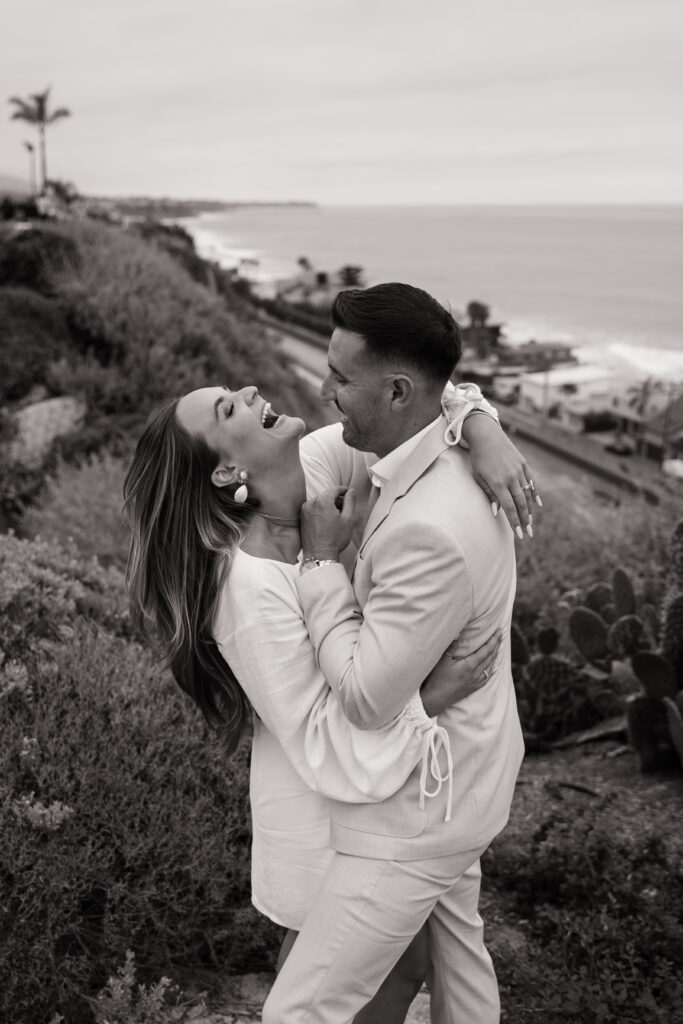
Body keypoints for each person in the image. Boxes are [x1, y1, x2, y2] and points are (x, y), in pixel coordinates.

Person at [124, 319, 534, 1023]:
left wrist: (483, 431)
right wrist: (432, 696)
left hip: (380, 792)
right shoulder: (246, 589)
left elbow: (418, 403)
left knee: (422, 962)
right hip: (330, 803)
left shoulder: (316, 469)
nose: (249, 389)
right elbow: (318, 732)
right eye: (228, 407)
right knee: (366, 983)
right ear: (226, 471)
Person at [261, 283, 530, 1024]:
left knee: (302, 1009)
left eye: (342, 379)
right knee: (461, 975)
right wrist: (477, 417)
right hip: (467, 777)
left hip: (418, 813)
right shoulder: (427, 446)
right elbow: (452, 398)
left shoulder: (430, 527)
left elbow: (364, 696)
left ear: (400, 390)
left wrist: (320, 564)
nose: (325, 392)